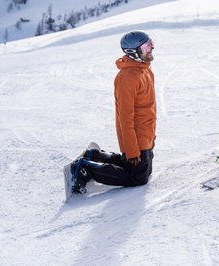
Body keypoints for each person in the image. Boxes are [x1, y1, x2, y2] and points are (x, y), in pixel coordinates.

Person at [67, 30, 157, 195]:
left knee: (143, 172)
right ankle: (86, 168)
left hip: (146, 134)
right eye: (146, 46)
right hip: (136, 136)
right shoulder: (127, 78)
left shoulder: (145, 70)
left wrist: (151, 138)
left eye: (150, 43)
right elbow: (125, 117)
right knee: (138, 178)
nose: (151, 48)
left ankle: (95, 155)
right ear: (133, 52)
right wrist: (131, 149)